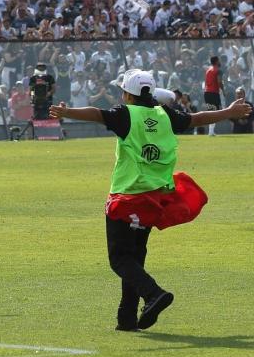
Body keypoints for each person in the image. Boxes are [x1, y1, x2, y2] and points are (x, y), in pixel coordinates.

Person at [49, 69, 252, 332]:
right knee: (134, 257)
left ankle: (154, 294)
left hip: (128, 197)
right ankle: (127, 318)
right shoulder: (164, 114)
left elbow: (96, 114)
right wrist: (227, 112)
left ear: (127, 94)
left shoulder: (126, 114)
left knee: (120, 258)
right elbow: (195, 119)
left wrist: (68, 113)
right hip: (154, 199)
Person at [204, 56, 224, 136]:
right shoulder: (218, 71)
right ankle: (211, 132)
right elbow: (219, 82)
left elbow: (206, 82)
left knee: (211, 111)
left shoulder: (208, 70)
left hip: (207, 93)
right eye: (219, 60)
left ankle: (211, 131)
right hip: (214, 93)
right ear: (216, 61)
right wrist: (223, 90)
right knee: (215, 112)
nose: (220, 61)